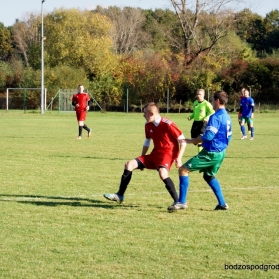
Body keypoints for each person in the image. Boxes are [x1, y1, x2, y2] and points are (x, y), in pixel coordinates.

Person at [103, 102, 187, 210]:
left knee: (162, 173)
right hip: (155, 153)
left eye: (145, 113)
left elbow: (183, 141)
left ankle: (177, 201)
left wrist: (179, 158)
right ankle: (120, 195)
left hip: (168, 154)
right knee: (129, 164)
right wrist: (141, 159)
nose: (143, 116)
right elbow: (147, 141)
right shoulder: (148, 125)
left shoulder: (168, 124)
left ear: (151, 113)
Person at [168, 90, 232, 212]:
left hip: (211, 152)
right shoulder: (227, 116)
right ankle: (222, 204)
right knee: (208, 176)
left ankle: (181, 202)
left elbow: (208, 137)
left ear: (217, 101)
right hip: (221, 152)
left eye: (213, 99)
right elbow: (228, 136)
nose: (212, 101)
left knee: (183, 169)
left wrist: (189, 141)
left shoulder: (215, 117)